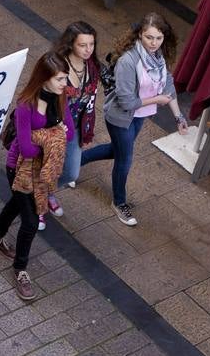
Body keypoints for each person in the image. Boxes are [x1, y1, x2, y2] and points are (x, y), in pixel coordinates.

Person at [78, 13, 190, 226]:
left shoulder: (159, 57)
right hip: (121, 117)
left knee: (116, 150)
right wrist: (157, 99)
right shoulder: (129, 62)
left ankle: (74, 164)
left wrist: (178, 117)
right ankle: (119, 203)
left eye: (158, 38)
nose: (154, 43)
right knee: (124, 159)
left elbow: (168, 86)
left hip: (140, 116)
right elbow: (127, 102)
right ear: (140, 35)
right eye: (149, 37)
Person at [0, 53, 68, 302]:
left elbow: (70, 133)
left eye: (65, 78)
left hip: (40, 169)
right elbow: (26, 148)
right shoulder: (26, 106)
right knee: (31, 222)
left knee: (16, 203)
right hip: (19, 169)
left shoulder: (60, 97)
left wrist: (50, 135)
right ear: (44, 79)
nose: (65, 83)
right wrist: (53, 136)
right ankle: (20, 269)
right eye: (60, 79)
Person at [53, 20, 101, 211]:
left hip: (77, 126)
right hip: (52, 127)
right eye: (82, 45)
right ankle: (38, 199)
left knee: (72, 173)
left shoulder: (92, 66)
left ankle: (45, 192)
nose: (88, 49)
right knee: (46, 167)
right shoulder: (57, 66)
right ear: (71, 43)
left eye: (91, 44)